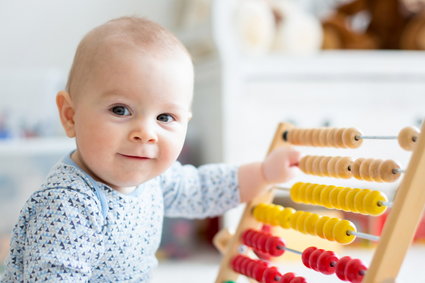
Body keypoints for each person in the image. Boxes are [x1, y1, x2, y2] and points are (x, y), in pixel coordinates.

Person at [1, 17, 300, 282]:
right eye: (120, 109)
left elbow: (203, 188)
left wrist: (264, 172)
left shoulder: (155, 179)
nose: (146, 133)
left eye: (165, 118)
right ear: (70, 116)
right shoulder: (68, 205)